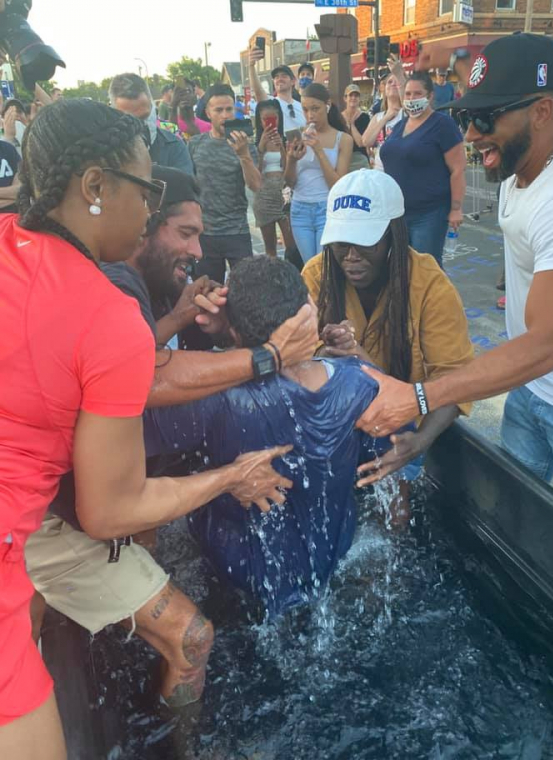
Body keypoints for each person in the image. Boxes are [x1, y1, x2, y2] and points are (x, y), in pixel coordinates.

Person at [0, 99, 294, 758]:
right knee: (190, 637)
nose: (151, 207)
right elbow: (112, 509)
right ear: (96, 186)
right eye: (148, 190)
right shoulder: (106, 312)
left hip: (28, 533)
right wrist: (230, 477)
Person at [357, 33, 553, 518]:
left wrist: (419, 397)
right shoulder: (523, 160)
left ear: (542, 111)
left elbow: (544, 346)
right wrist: (447, 57)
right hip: (531, 388)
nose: (470, 136)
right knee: (512, 523)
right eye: (468, 118)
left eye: (485, 120)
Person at [144, 256, 423, 616]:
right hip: (332, 558)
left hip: (240, 571)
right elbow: (398, 458)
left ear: (231, 331)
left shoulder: (207, 397)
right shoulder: (359, 383)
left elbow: (129, 397)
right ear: (309, 310)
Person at [301, 169, 473, 487]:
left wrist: (418, 442)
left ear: (394, 235)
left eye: (365, 244)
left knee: (398, 516)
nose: (350, 256)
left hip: (404, 434)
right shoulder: (315, 276)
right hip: (332, 427)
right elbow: (291, 359)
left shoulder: (429, 285)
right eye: (341, 243)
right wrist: (327, 352)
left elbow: (454, 381)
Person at [380, 71, 466, 266]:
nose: (411, 98)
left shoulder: (443, 125)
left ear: (430, 96)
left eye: (417, 94)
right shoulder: (401, 125)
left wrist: (456, 209)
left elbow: (458, 169)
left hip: (429, 214)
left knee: (426, 269)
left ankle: (440, 298)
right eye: (408, 94)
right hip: (397, 213)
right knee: (400, 269)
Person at [188, 83, 260, 282]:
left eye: (229, 109)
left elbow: (255, 186)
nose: (225, 115)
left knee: (247, 290)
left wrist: (243, 155)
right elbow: (189, 186)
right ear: (208, 113)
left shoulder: (245, 144)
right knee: (208, 292)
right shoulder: (196, 144)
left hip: (237, 230)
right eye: (218, 110)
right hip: (205, 233)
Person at [284, 83, 353, 263]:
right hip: (300, 208)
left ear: (327, 106)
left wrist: (319, 151)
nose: (310, 115)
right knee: (310, 267)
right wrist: (291, 159)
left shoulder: (343, 139)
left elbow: (338, 185)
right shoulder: (298, 135)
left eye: (315, 109)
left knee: (325, 265)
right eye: (305, 110)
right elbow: (289, 182)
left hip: (327, 207)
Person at [109, 72, 193, 174]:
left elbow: (185, 186)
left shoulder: (174, 146)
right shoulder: (106, 155)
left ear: (152, 105)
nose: (140, 126)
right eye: (131, 120)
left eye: (145, 117)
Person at [252, 99, 297, 262]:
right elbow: (254, 175)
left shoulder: (286, 139)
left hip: (284, 194)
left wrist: (284, 149)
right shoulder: (255, 143)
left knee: (292, 246)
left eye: (274, 119)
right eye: (266, 119)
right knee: (270, 250)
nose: (271, 123)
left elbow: (289, 169)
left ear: (279, 118)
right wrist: (261, 148)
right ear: (260, 120)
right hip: (264, 195)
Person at [248, 52, 306, 132]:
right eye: (276, 77)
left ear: (293, 81)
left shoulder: (302, 107)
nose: (279, 79)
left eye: (284, 76)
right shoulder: (271, 103)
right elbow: (257, 90)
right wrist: (251, 66)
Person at [361, 73, 405, 170]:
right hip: (380, 170)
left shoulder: (407, 113)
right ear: (384, 89)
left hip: (401, 168)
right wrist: (385, 118)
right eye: (390, 82)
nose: (393, 84)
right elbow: (366, 141)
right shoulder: (378, 117)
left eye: (396, 82)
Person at [340, 83, 371, 171]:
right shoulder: (339, 118)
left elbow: (361, 143)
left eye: (356, 95)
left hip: (361, 159)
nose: (353, 98)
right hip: (344, 159)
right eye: (351, 95)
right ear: (345, 98)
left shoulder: (365, 117)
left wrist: (352, 125)